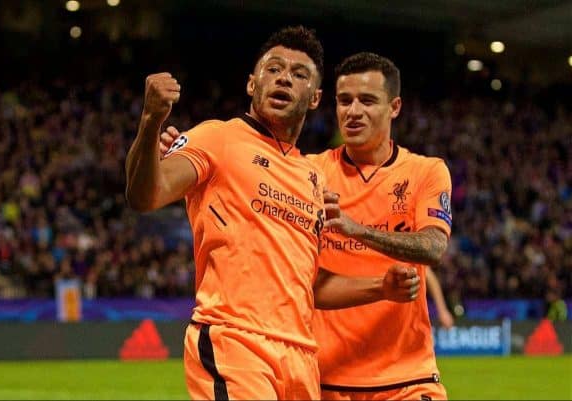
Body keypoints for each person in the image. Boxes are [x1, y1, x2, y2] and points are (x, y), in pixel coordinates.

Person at [127, 28, 420, 401]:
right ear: (252, 84)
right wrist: (151, 120)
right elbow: (144, 195)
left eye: (299, 74)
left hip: (300, 357)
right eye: (273, 69)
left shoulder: (312, 177)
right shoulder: (217, 138)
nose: (284, 77)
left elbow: (308, 284)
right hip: (235, 340)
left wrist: (381, 287)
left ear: (314, 99)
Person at [313, 52, 453, 400]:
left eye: (367, 101)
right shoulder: (309, 174)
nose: (353, 111)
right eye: (344, 101)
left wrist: (356, 229)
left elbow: (433, 248)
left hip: (408, 377)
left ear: (395, 107)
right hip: (327, 378)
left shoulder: (426, 172)